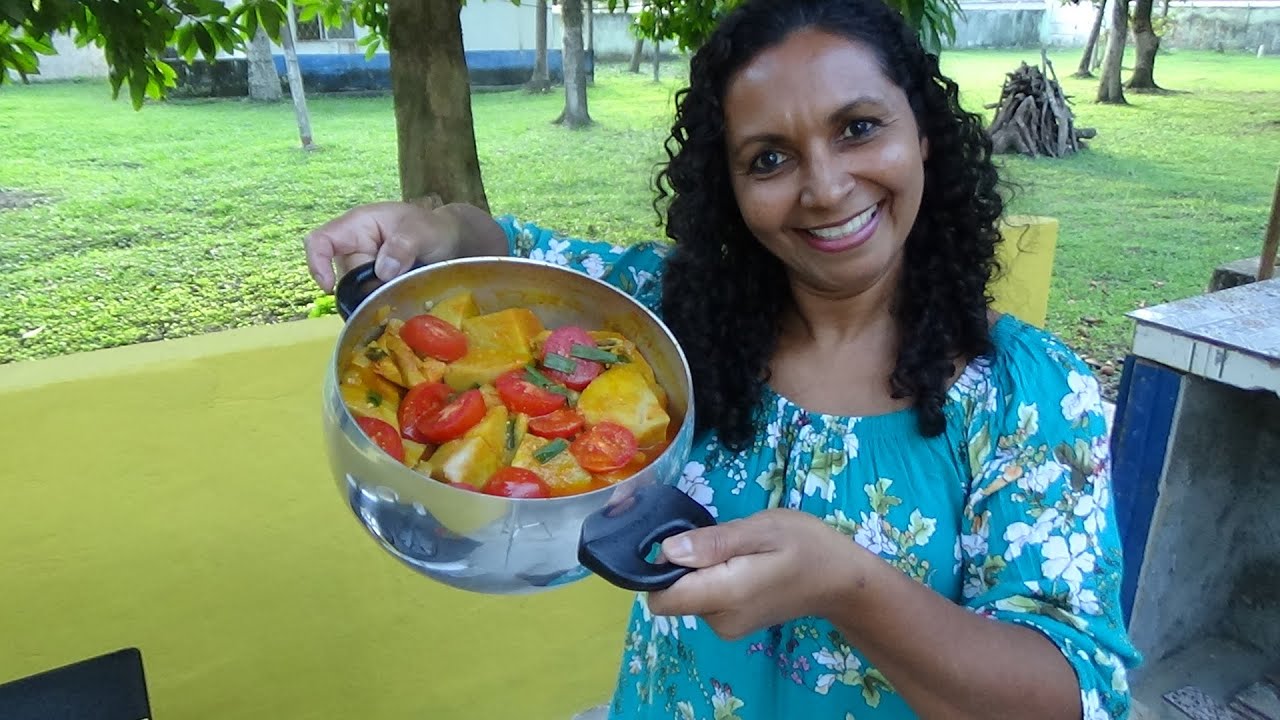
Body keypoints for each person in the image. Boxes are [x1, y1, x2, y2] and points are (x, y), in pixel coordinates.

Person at [304, 0, 1142, 717]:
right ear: (731, 187)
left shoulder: (1028, 393)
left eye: (859, 128)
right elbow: (510, 258)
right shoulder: (675, 325)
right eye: (768, 159)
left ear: (921, 134)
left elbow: (1071, 692)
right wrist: (438, 228)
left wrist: (848, 587)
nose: (822, 186)